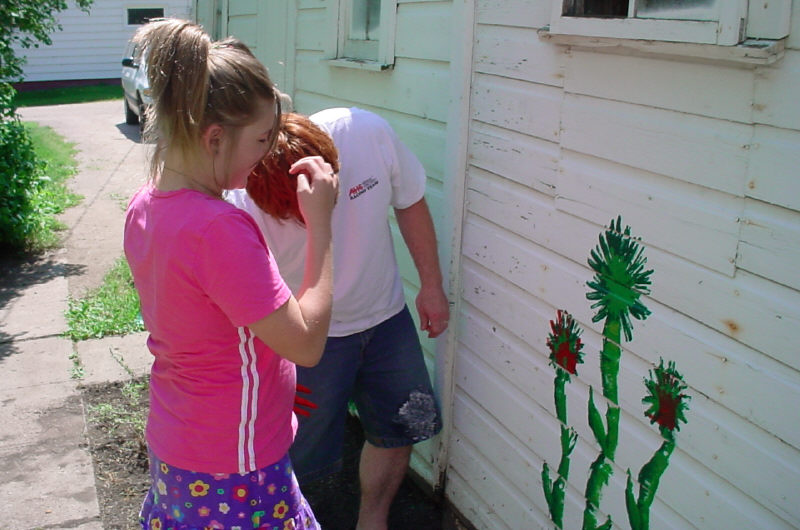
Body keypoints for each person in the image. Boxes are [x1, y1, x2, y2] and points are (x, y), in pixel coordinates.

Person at [122, 19, 338, 530]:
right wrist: (322, 225)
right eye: (261, 139)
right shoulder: (218, 229)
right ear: (214, 138)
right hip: (234, 464)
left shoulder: (145, 205)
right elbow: (306, 344)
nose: (266, 153)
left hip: (182, 441)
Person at [226, 108, 450, 530]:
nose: (302, 220)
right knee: (298, 454)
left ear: (333, 169)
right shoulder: (239, 201)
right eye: (287, 216)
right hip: (306, 339)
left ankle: (373, 521)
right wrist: (270, 367)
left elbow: (410, 201)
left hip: (386, 319)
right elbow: (244, 303)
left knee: (401, 427)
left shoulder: (366, 134)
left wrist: (432, 285)